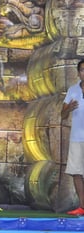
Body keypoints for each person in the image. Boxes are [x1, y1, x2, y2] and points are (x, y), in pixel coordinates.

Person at [62, 59, 84, 215]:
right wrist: (68, 108)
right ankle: (82, 207)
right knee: (77, 172)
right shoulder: (72, 90)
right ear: (78, 73)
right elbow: (62, 115)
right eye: (82, 70)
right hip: (77, 138)